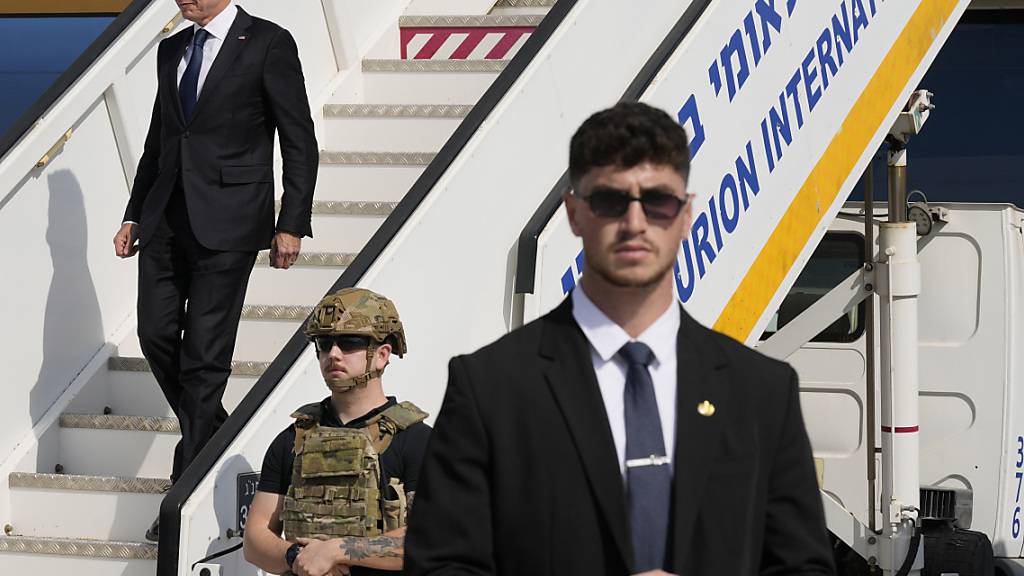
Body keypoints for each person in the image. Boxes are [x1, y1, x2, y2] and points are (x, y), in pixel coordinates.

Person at [404, 102, 835, 575]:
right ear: (573, 213)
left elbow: (803, 567)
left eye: (658, 201)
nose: (634, 223)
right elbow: (441, 568)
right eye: (610, 201)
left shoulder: (761, 392)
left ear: (686, 213)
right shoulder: (491, 387)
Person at [110, 0, 318, 541]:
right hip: (165, 218)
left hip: (230, 222)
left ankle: (181, 493)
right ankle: (216, 431)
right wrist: (134, 212)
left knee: (205, 360)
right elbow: (160, 139)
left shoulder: (269, 42)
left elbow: (298, 138)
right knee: (154, 332)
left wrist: (291, 220)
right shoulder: (172, 49)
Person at [244, 288, 431, 576]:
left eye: (350, 342)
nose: (333, 353)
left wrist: (335, 551)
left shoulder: (417, 442)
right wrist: (295, 555)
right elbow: (255, 540)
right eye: (324, 342)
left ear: (381, 355)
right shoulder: (294, 439)